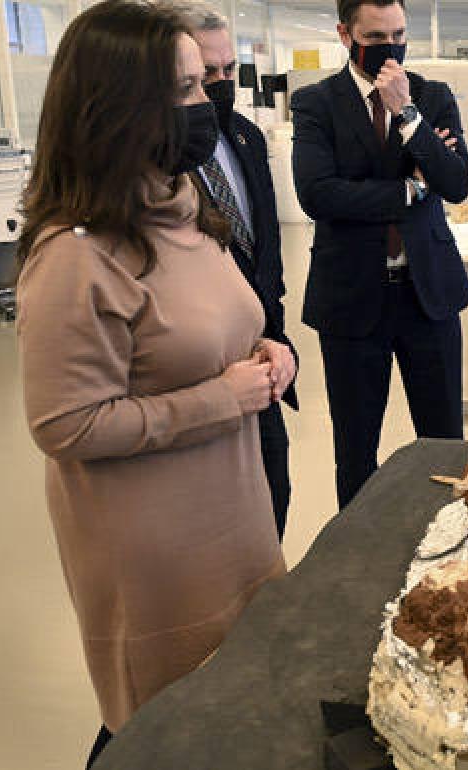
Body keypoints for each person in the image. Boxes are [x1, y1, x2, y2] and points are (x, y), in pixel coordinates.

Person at [15, 1, 287, 764]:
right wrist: (220, 398)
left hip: (237, 515)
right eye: (185, 90)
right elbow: (65, 425)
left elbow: (215, 326)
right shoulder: (76, 256)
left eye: (205, 83)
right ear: (118, 108)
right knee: (163, 728)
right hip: (156, 549)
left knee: (238, 700)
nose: (206, 106)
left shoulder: (184, 206)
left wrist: (267, 348)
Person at [292, 0, 468, 508]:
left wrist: (408, 115)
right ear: (345, 35)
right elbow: (318, 194)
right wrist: (410, 192)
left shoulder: (432, 97)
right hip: (351, 297)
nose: (389, 47)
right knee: (355, 451)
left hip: (428, 295)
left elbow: (457, 183)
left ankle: (447, 549)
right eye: (375, 37)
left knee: (444, 444)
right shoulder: (316, 103)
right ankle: (353, 565)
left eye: (398, 33)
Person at [169, 1, 298, 540]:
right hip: (202, 372)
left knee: (275, 498)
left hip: (263, 359)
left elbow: (264, 244)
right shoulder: (163, 165)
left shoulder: (246, 137)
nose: (220, 86)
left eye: (228, 72)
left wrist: (275, 328)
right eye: (204, 76)